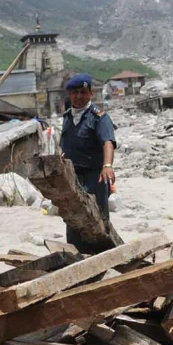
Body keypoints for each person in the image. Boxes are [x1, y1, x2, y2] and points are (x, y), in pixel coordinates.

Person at [60, 73, 117, 252]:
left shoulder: (99, 117)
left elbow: (108, 142)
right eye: (75, 92)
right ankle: (79, 256)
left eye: (83, 92)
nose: (79, 96)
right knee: (74, 218)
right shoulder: (67, 117)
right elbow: (66, 145)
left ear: (91, 94)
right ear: (69, 95)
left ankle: (103, 257)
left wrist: (107, 166)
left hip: (94, 177)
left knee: (98, 219)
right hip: (73, 177)